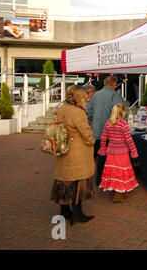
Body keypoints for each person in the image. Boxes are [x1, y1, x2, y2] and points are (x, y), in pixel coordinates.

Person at [50, 85, 95, 225]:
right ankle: (77, 213)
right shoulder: (77, 112)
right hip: (77, 153)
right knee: (77, 182)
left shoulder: (62, 108)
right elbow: (87, 134)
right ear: (78, 97)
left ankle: (65, 211)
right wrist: (92, 140)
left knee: (64, 182)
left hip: (64, 150)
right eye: (84, 96)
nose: (86, 98)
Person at [87, 75, 125, 186]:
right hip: (111, 133)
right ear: (114, 84)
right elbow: (120, 113)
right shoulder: (115, 95)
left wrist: (94, 121)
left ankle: (99, 180)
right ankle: (108, 181)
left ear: (105, 83)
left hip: (97, 131)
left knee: (100, 157)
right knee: (112, 159)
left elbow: (89, 112)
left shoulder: (96, 95)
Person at [98, 104, 139, 203]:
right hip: (122, 153)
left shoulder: (108, 123)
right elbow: (129, 140)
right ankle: (119, 194)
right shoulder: (123, 124)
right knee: (121, 171)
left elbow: (103, 138)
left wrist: (103, 148)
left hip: (111, 152)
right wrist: (133, 150)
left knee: (114, 171)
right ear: (123, 112)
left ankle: (117, 191)